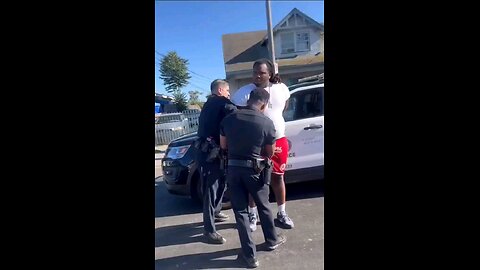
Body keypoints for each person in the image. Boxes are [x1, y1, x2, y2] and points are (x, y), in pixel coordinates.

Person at [220, 88, 286, 268]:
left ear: (249, 100)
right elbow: (269, 152)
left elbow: (223, 146)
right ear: (263, 104)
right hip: (255, 172)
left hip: (233, 170)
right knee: (264, 206)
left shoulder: (228, 119)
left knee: (240, 213)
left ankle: (249, 257)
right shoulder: (266, 122)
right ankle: (272, 240)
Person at [231, 58, 294, 231]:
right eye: (255, 72)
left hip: (278, 140)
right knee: (255, 180)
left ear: (270, 74)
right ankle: (253, 214)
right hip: (254, 144)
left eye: (262, 73)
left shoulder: (281, 88)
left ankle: (282, 213)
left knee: (278, 177)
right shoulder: (244, 93)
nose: (257, 76)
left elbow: (284, 107)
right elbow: (238, 117)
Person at [196, 79, 236, 244]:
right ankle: (209, 230)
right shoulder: (221, 102)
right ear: (220, 90)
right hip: (210, 155)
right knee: (211, 190)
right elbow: (235, 113)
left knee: (221, 183)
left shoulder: (208, 103)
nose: (229, 95)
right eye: (227, 91)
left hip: (212, 153)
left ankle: (217, 210)